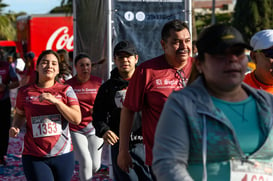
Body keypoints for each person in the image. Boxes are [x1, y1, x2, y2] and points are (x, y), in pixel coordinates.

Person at [152, 24, 273, 181]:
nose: (232, 59)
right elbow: (167, 163)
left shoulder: (267, 103)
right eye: (221, 54)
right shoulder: (182, 105)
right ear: (200, 64)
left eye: (238, 52)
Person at [117, 19, 193, 179]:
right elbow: (128, 110)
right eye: (176, 42)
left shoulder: (202, 68)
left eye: (187, 41)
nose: (184, 47)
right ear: (163, 44)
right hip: (164, 158)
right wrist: (123, 150)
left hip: (199, 155)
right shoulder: (147, 71)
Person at [9, 50, 81, 181]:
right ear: (36, 67)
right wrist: (15, 126)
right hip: (34, 155)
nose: (49, 66)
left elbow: (76, 119)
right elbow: (19, 114)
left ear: (58, 69)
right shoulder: (24, 92)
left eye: (54, 63)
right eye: (44, 63)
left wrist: (57, 102)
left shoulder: (66, 90)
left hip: (63, 154)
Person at [93, 40, 152, 180]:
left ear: (136, 58)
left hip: (146, 144)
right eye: (120, 57)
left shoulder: (148, 83)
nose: (124, 60)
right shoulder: (107, 88)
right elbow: (98, 115)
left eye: (128, 56)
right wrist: (104, 130)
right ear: (114, 60)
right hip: (120, 146)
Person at [66, 53, 104, 181]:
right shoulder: (68, 85)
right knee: (85, 161)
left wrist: (98, 110)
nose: (85, 68)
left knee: (95, 166)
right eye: (81, 65)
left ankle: (86, 174)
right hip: (76, 128)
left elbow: (105, 103)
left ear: (91, 67)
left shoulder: (98, 82)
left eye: (87, 65)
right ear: (75, 67)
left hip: (94, 127)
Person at [0, 55, 19, 165]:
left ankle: (2, 155)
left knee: (3, 129)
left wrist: (6, 87)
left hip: (4, 102)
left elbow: (16, 82)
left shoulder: (7, 66)